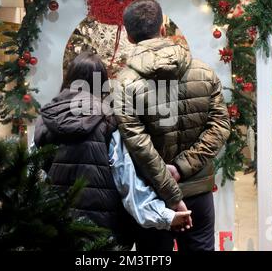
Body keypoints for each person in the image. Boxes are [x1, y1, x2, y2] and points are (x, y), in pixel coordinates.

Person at [34, 52, 191, 248]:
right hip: (102, 235)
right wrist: (166, 216)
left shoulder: (45, 119)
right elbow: (128, 182)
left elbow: (33, 177)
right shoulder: (108, 122)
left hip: (55, 231)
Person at [115, 0, 231, 251]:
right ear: (163, 29)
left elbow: (138, 146)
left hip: (152, 196)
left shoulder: (124, 83)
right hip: (197, 190)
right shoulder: (204, 71)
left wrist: (170, 193)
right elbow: (220, 125)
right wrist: (181, 169)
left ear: (129, 36)